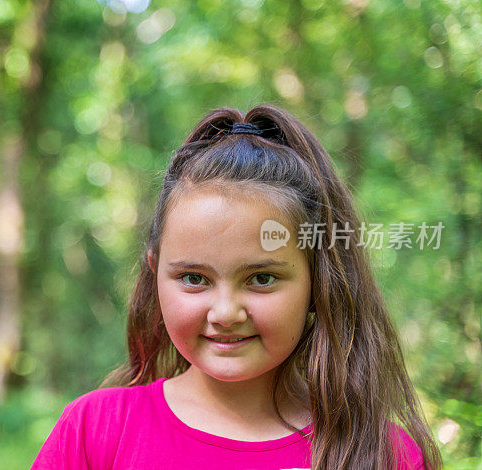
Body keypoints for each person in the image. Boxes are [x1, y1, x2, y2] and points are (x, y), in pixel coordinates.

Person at [31, 104, 442, 469]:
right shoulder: (95, 432)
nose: (226, 312)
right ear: (155, 274)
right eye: (194, 279)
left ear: (319, 284)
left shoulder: (383, 454)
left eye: (262, 278)